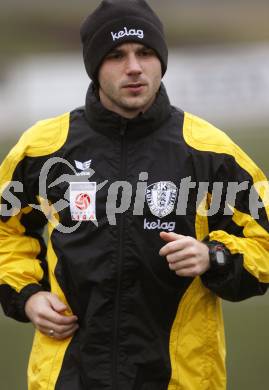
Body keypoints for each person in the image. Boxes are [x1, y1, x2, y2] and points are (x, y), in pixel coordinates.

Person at [0, 1, 269, 389]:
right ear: (94, 66)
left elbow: (263, 240)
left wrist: (213, 257)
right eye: (116, 55)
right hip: (69, 378)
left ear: (161, 59)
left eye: (145, 53)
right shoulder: (43, 149)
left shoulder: (211, 152)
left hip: (181, 379)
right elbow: (6, 230)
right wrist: (27, 295)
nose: (134, 67)